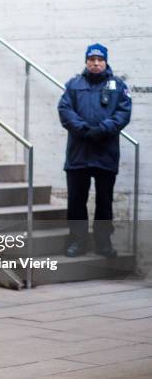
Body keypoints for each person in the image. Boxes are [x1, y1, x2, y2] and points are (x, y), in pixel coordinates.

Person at [58, 43, 132, 258]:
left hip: (105, 152)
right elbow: (64, 110)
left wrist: (102, 130)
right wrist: (83, 129)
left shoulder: (118, 86)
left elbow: (123, 113)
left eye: (100, 60)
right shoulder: (73, 85)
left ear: (106, 61)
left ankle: (103, 243)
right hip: (78, 153)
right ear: (86, 61)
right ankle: (77, 242)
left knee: (104, 201)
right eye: (92, 60)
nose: (96, 63)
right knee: (76, 201)